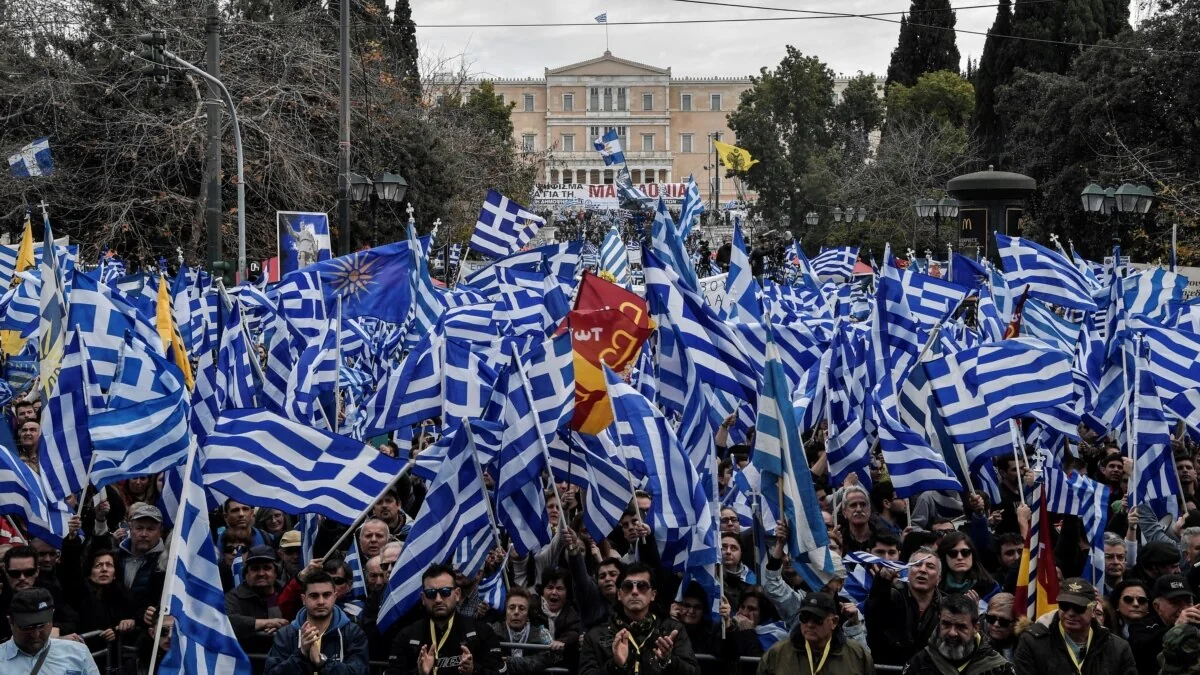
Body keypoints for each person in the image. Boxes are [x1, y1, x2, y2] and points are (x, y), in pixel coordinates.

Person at [579, 562, 699, 675]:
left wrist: (668, 661)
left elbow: (694, 672)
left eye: (642, 586)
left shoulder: (672, 630)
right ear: (619, 594)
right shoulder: (596, 635)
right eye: (628, 586)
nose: (635, 592)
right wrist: (615, 665)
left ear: (653, 594)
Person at [385, 563, 504, 675]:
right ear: (423, 598)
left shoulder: (481, 632)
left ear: (457, 594)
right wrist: (418, 673)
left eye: (445, 592)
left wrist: (473, 670)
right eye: (431, 593)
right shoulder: (406, 636)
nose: (438, 599)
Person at [1013, 577, 1137, 675]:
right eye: (1064, 606)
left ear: (1093, 610)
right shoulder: (1032, 642)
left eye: (1079, 608)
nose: (1070, 613)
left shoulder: (1118, 648)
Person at [264, 570, 369, 674]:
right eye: (314, 596)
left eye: (326, 595)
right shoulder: (285, 635)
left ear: (335, 597)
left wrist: (323, 662)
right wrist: (301, 655)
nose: (321, 602)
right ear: (303, 599)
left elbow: (360, 672)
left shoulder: (353, 633)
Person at [757, 592, 873, 675]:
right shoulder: (777, 654)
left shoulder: (857, 654)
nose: (810, 624)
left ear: (834, 621)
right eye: (805, 618)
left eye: (818, 619)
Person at [902, 593, 1015, 675]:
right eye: (946, 624)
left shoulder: (999, 669)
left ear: (975, 627)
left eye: (961, 627)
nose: (952, 633)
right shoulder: (918, 665)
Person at [867, 546, 943, 666]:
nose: (922, 570)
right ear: (907, 572)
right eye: (917, 565)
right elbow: (873, 613)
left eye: (930, 566)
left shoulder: (946, 607)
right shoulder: (891, 596)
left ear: (939, 578)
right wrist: (881, 582)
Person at [1, 588, 100, 675]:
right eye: (27, 628)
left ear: (52, 616)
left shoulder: (78, 652)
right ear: (10, 621)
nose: (35, 634)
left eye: (41, 626)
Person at [65, 549, 137, 653]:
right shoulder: (78, 595)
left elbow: (136, 618)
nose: (104, 569)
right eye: (98, 565)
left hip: (114, 658)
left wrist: (124, 626)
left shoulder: (125, 596)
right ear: (90, 573)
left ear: (115, 573)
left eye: (109, 565)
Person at [1128, 574, 1199, 675]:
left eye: (1188, 602)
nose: (1184, 608)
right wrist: (1177, 628)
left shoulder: (1197, 623)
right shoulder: (1141, 626)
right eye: (1175, 602)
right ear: (1157, 607)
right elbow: (1142, 651)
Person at [225, 545, 289, 656]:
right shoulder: (234, 596)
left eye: (267, 568)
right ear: (246, 574)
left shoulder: (287, 592)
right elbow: (228, 620)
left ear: (275, 573)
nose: (261, 573)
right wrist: (266, 623)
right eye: (255, 569)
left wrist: (283, 628)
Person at [489, 586, 563, 674]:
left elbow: (546, 659)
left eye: (521, 608)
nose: (516, 612)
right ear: (506, 611)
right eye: (512, 607)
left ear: (528, 613)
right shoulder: (492, 631)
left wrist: (511, 662)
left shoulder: (541, 633)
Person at [115, 502, 167, 621]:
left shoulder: (166, 564)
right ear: (130, 528)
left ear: (160, 531)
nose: (144, 534)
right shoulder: (115, 557)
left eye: (150, 529)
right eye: (139, 528)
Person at [937, 531, 999, 602]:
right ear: (944, 557)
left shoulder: (990, 586)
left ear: (973, 555)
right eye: (953, 553)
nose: (960, 557)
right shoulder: (935, 586)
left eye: (965, 552)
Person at [838, 486, 877, 554]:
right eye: (853, 505)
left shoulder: (883, 537)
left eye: (863, 504)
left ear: (870, 510)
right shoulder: (838, 540)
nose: (859, 509)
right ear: (844, 513)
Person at [982, 593, 1021, 660]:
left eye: (1003, 622)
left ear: (1015, 622)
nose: (996, 624)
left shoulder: (1023, 642)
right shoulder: (975, 637)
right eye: (991, 618)